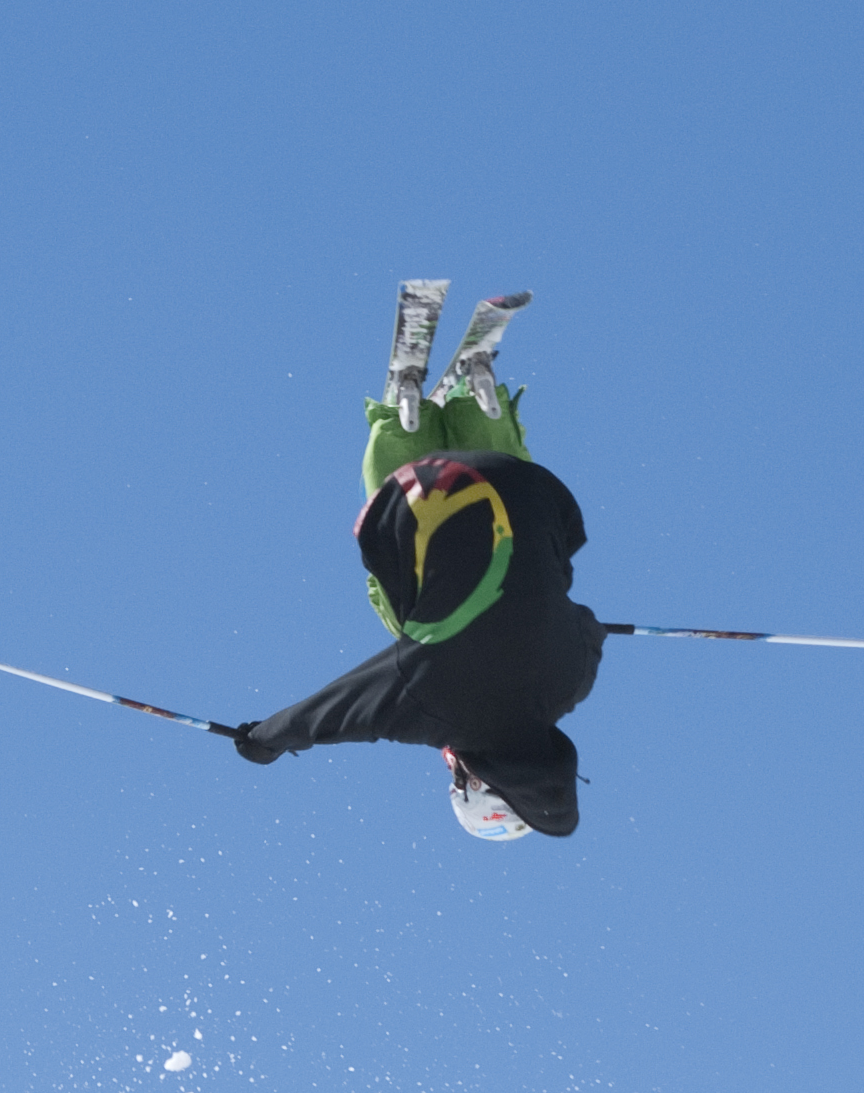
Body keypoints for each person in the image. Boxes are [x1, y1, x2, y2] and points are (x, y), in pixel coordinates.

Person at [231, 356, 601, 838]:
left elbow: (588, 626)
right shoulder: (436, 707)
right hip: (425, 488)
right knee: (403, 612)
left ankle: (479, 413)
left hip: (528, 489)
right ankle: (403, 428)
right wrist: (264, 739)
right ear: (477, 782)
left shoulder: (575, 681)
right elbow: (335, 712)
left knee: (535, 558)